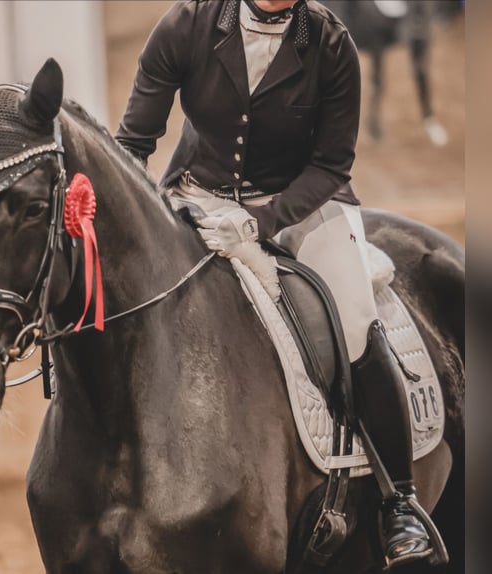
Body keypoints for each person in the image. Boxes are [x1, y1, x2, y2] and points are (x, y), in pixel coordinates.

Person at [115, 0, 437, 568]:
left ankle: (400, 504)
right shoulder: (187, 24)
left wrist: (261, 222)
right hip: (200, 195)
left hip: (303, 205)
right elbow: (134, 143)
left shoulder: (332, 43)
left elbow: (332, 164)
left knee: (358, 322)